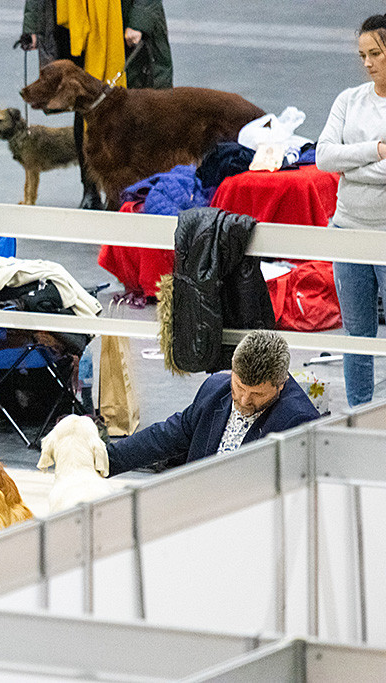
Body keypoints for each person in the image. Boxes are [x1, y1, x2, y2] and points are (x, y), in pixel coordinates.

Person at [20, 0, 171, 209]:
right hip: (74, 25)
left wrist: (139, 22)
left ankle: (132, 189)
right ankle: (90, 188)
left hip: (122, 21)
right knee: (84, 107)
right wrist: (34, 26)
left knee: (131, 111)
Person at [106, 330, 320, 476]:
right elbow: (166, 436)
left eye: (257, 394)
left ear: (281, 384)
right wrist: (106, 459)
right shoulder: (215, 388)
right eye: (239, 387)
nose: (244, 400)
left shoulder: (299, 422)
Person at [316, 14, 386, 407]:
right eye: (362, 55)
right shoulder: (348, 100)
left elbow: (339, 162)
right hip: (347, 231)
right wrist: (375, 150)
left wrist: (351, 166)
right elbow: (324, 157)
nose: (367, 63)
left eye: (375, 54)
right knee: (356, 333)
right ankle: (359, 413)